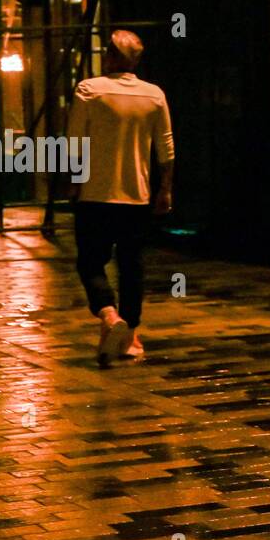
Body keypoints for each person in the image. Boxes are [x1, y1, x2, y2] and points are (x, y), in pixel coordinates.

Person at [66, 30, 174, 367]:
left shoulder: (89, 90)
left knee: (90, 261)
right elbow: (166, 148)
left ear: (109, 55)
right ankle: (130, 334)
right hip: (137, 195)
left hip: (94, 195)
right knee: (132, 267)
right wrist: (165, 188)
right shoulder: (154, 95)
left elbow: (74, 144)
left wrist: (72, 182)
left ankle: (109, 314)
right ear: (136, 60)